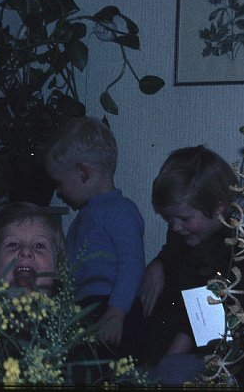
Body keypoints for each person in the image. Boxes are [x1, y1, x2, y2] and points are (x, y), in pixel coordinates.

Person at [139, 145, 244, 387]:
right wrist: (158, 264)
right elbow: (172, 253)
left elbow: (211, 315)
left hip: (227, 352)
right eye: (169, 219)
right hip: (186, 341)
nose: (175, 227)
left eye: (184, 218)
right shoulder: (184, 234)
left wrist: (166, 364)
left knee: (171, 370)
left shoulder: (235, 248)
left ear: (218, 207)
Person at [43, 116, 146, 359]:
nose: (59, 191)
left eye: (60, 182)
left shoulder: (119, 210)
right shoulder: (82, 218)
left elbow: (132, 263)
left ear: (83, 173)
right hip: (87, 307)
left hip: (113, 306)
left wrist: (117, 311)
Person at [0, 202, 66, 296]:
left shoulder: (71, 311)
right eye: (13, 244)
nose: (25, 251)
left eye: (39, 245)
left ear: (59, 267)